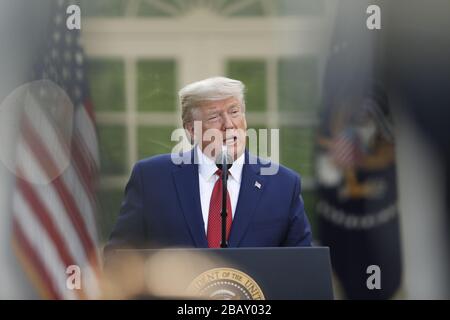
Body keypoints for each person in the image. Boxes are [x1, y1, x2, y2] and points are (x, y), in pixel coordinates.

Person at [105, 77, 312, 252]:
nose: (228, 124)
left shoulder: (283, 184)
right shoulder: (151, 179)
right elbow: (120, 260)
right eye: (214, 116)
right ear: (191, 130)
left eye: (234, 112)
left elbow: (302, 269)